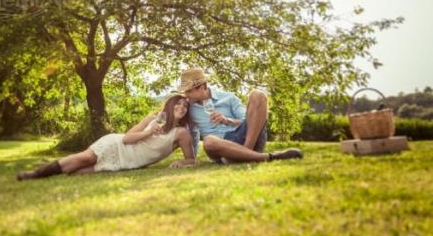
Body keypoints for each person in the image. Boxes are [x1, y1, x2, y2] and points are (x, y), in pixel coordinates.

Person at [17, 95, 196, 181]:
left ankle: (54, 164)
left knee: (77, 172)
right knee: (84, 158)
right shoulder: (152, 119)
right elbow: (126, 139)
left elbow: (191, 159)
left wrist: (183, 162)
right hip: (116, 145)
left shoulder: (181, 134)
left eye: (185, 106)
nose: (181, 107)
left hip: (129, 162)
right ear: (170, 105)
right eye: (178, 103)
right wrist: (149, 132)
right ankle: (35, 174)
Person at [174, 67, 303, 163]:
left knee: (258, 94)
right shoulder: (189, 108)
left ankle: (244, 154)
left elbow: (248, 121)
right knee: (208, 140)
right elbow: (193, 134)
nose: (186, 95)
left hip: (246, 138)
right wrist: (191, 159)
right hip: (222, 148)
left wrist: (228, 120)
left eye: (189, 91)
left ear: (201, 87)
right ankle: (268, 157)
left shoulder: (229, 98)